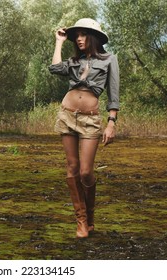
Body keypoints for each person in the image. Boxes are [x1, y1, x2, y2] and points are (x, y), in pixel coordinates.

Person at [48, 18, 120, 238]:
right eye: (76, 35)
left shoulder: (110, 59)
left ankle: (89, 216)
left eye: (82, 34)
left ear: (94, 37)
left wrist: (111, 122)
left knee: (86, 172)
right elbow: (54, 68)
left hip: (90, 119)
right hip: (67, 115)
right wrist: (59, 42)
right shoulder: (74, 61)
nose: (78, 39)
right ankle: (81, 221)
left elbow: (113, 93)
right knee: (72, 168)